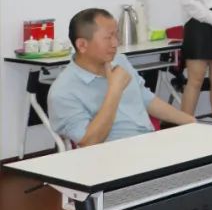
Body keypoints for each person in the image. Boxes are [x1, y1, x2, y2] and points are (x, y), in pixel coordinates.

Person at [49, 8, 195, 147]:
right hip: (110, 155)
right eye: (108, 37)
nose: (115, 43)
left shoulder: (119, 60)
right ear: (82, 45)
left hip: (148, 144)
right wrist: (115, 90)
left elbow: (147, 100)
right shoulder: (62, 92)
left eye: (116, 35)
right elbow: (89, 142)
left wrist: (193, 123)